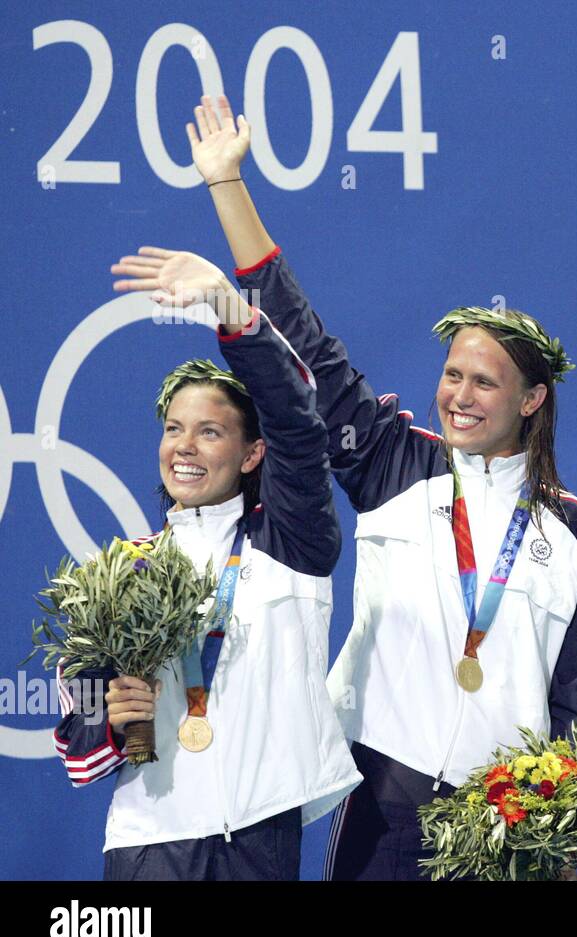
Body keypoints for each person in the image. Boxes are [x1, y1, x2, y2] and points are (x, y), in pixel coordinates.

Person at [179, 94, 577, 880]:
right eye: (452, 375)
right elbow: (306, 352)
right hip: (384, 796)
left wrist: (558, 832)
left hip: (507, 819)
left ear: (531, 400)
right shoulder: (395, 462)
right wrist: (228, 189)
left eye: (484, 383)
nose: (459, 395)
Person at [53, 249, 361, 880]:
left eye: (210, 432)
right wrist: (112, 715)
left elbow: (300, 425)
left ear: (252, 455)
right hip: (148, 844)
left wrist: (230, 308)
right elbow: (79, 738)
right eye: (173, 429)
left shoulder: (290, 543)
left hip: (258, 840)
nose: (184, 448)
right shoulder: (119, 574)